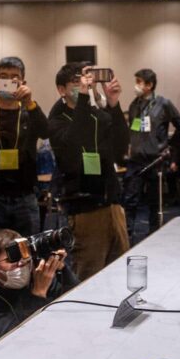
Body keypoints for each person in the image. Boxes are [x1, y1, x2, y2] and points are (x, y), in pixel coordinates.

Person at [47, 63, 130, 281]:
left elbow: (120, 147)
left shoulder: (97, 115)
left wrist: (113, 104)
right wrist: (84, 98)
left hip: (112, 204)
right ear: (61, 90)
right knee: (89, 275)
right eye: (76, 82)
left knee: (120, 272)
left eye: (85, 81)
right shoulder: (56, 120)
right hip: (85, 209)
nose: (82, 85)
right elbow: (74, 145)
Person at [0, 56, 49, 237]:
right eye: (3, 77)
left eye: (14, 77)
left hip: (25, 195)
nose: (8, 81)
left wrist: (30, 102)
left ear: (23, 82)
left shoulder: (29, 111)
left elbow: (46, 132)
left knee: (28, 247)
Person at [0, 229, 77, 350]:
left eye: (23, 253)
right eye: (11, 258)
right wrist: (38, 293)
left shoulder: (36, 274)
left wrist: (62, 268)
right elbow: (19, 342)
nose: (21, 262)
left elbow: (76, 302)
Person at [123, 68, 180, 240]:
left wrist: (168, 145)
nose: (135, 86)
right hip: (136, 159)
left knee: (153, 201)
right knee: (130, 198)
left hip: (155, 159)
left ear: (149, 85)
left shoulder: (163, 104)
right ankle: (127, 235)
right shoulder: (134, 105)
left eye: (139, 82)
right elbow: (134, 129)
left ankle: (153, 234)